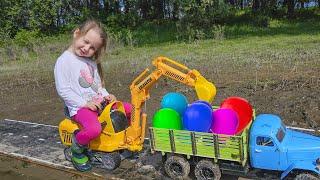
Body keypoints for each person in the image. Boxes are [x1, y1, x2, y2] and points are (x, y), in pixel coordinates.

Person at [54, 19, 117, 172]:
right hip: (79, 108)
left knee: (125, 109)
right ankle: (77, 148)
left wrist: (107, 96)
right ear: (77, 33)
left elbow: (97, 87)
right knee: (94, 129)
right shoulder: (64, 61)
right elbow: (64, 90)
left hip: (97, 104)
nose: (86, 48)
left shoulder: (90, 63)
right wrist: (84, 103)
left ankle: (119, 143)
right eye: (86, 41)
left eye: (92, 48)